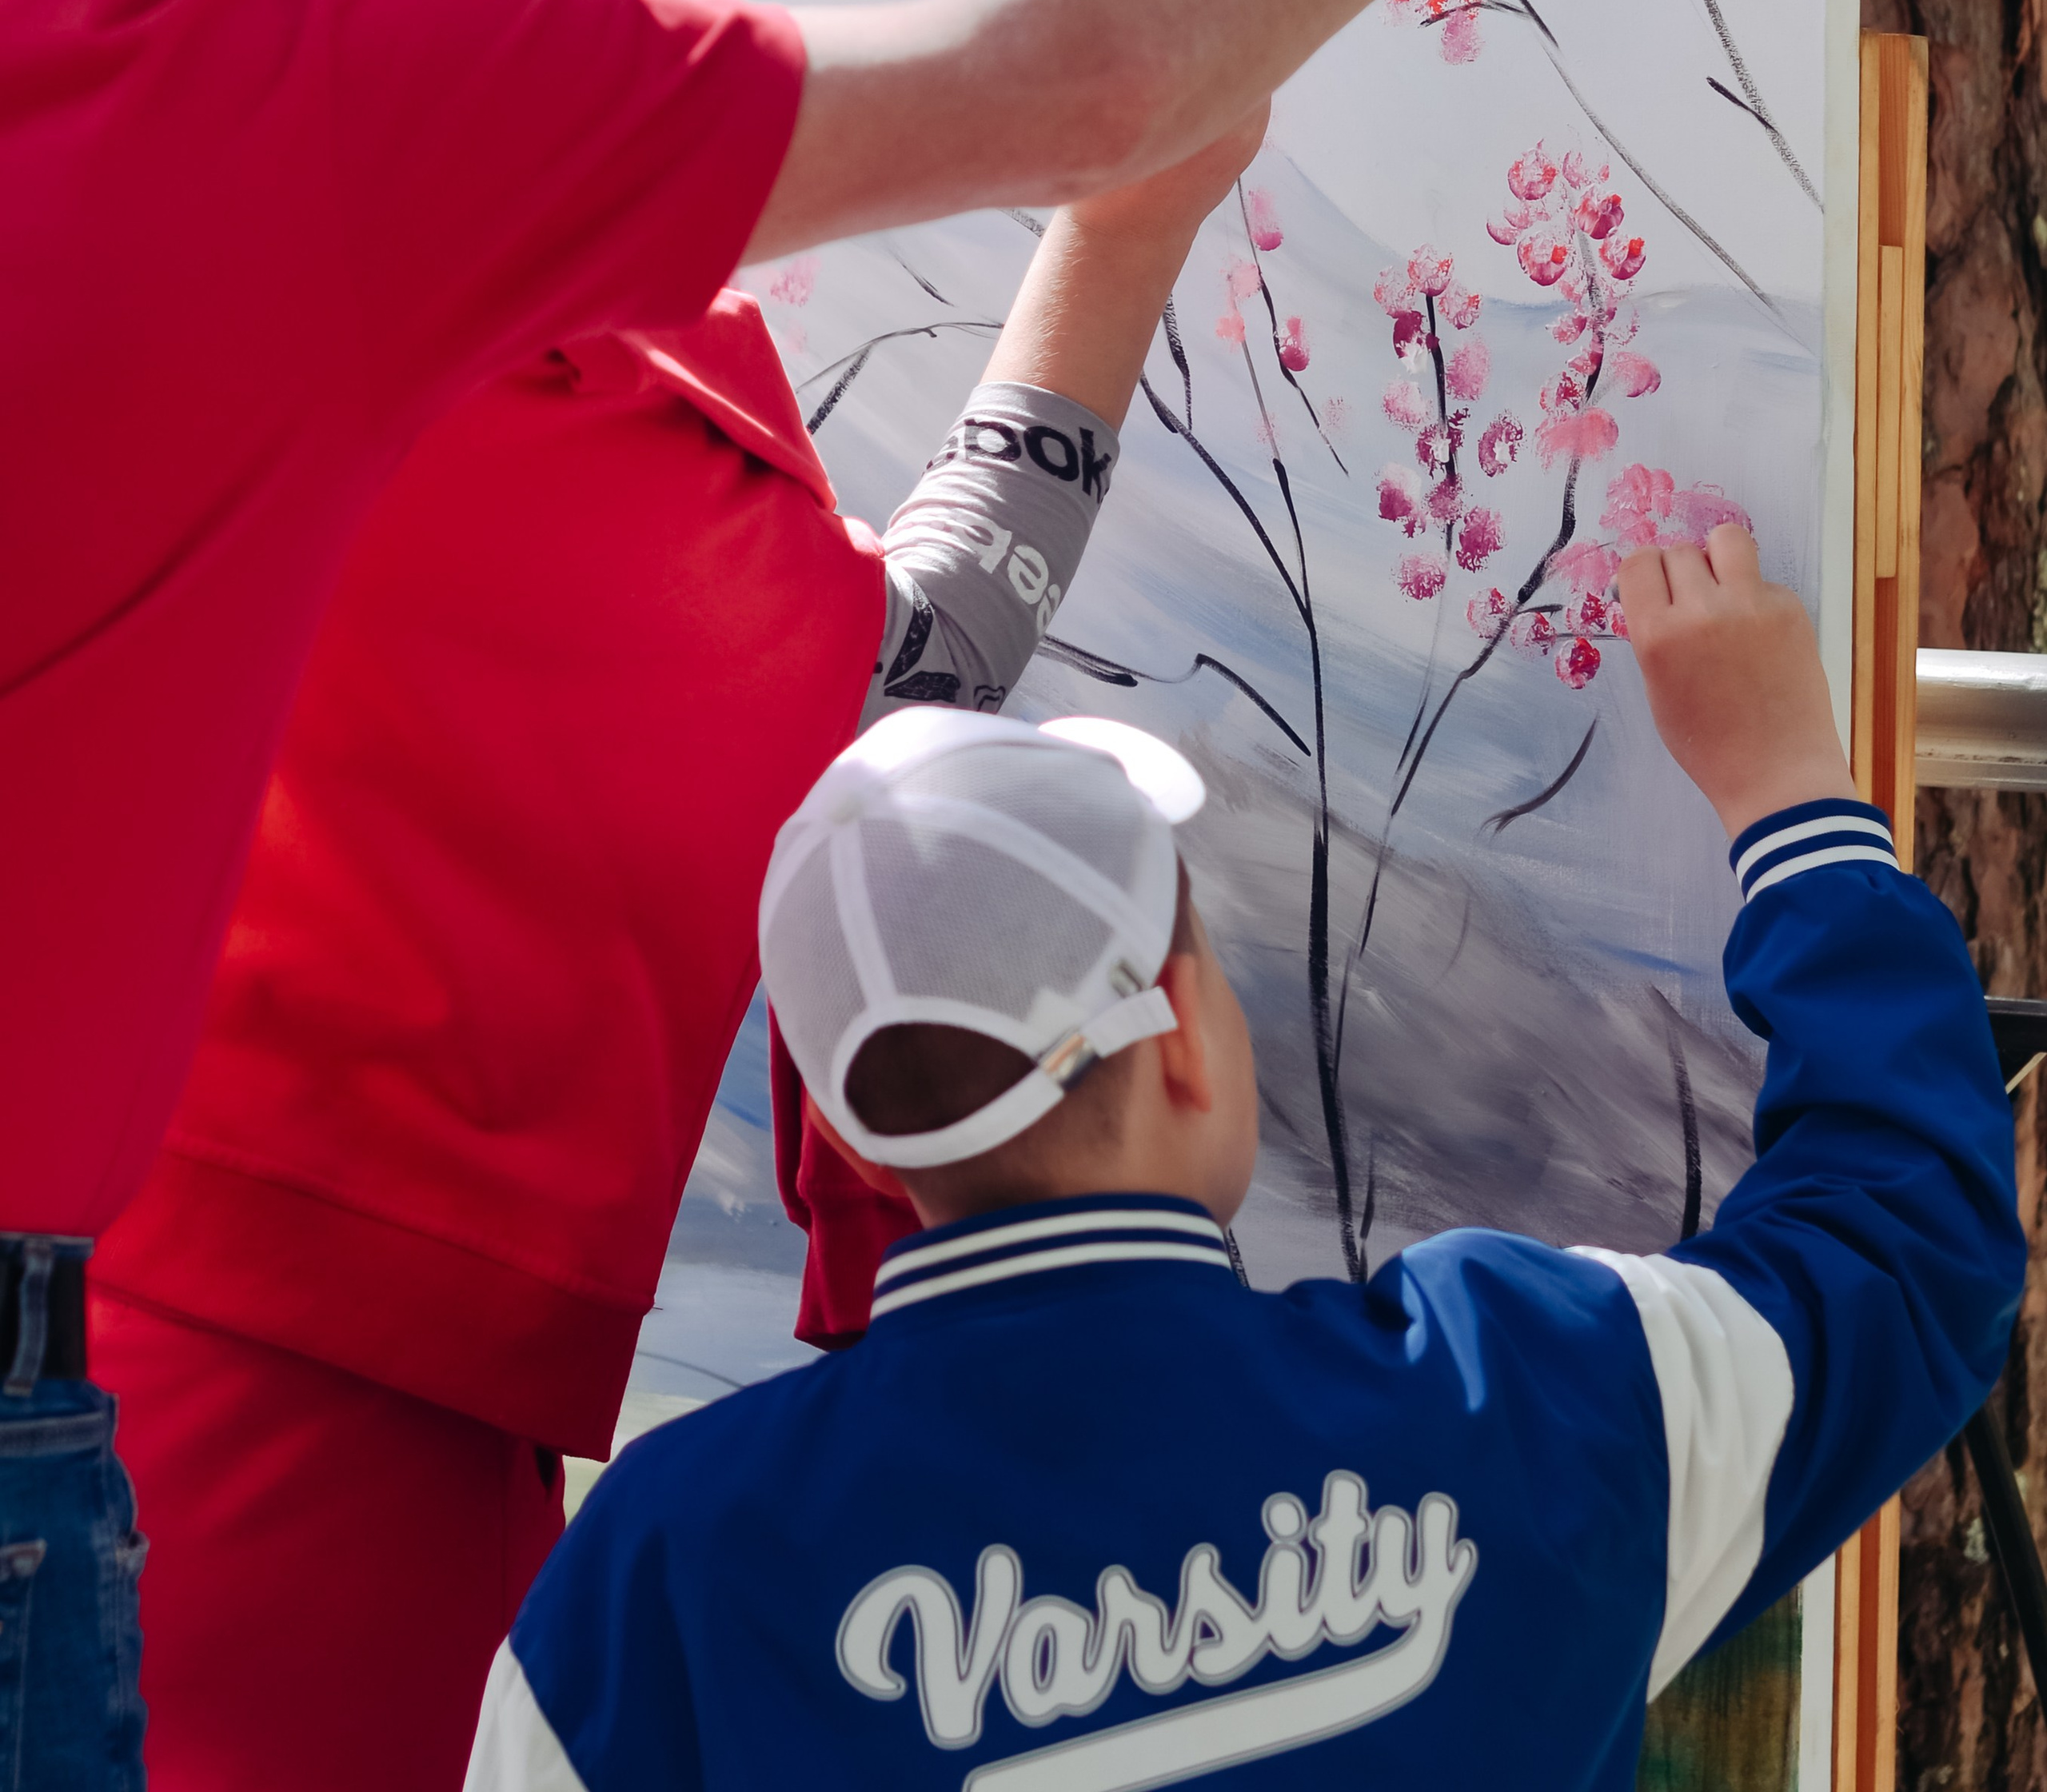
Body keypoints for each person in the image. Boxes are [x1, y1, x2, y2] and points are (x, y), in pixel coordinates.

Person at [0, 0, 1565, 1786]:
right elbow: (889, 690)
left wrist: (1127, 245)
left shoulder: (393, 253)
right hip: (267, 1427)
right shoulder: (296, 169)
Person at [90, 0, 1263, 1792]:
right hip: (288, 1405)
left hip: (239, 1323)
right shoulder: (466, 385)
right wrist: (1132, 222)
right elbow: (888, 707)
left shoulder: (190, 261)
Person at [468, 529, 2027, 1791]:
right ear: (1187, 1041)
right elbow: (1908, 1248)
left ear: (851, 1134)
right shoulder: (1518, 1389)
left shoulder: (657, 1586)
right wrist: (1789, 802)